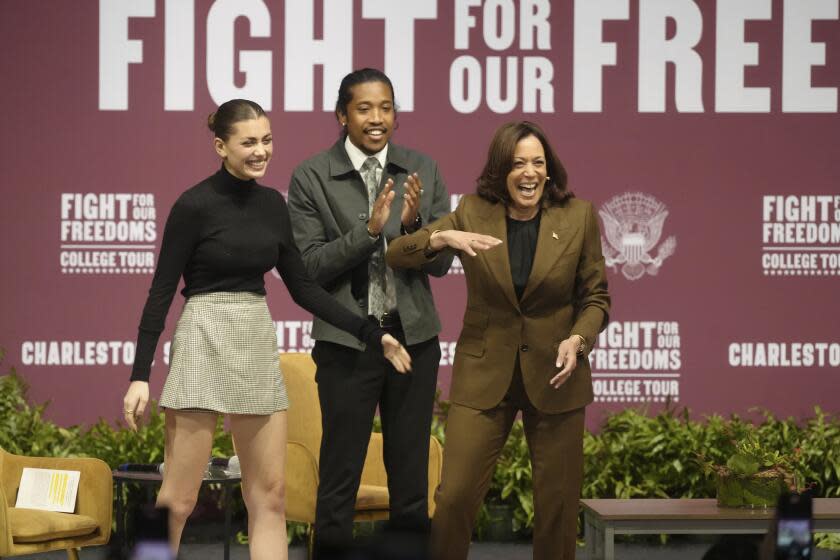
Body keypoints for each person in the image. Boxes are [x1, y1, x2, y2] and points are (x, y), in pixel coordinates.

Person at [121, 99, 411, 560]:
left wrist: (372, 332)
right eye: (249, 142)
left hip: (255, 338)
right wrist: (140, 375)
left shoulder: (274, 204)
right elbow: (160, 293)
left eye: (267, 140)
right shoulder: (193, 205)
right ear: (221, 146)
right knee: (177, 500)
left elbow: (304, 289)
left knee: (270, 495)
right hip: (202, 337)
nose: (261, 151)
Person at [386, 121, 611, 560]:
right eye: (518, 163)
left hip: (555, 373)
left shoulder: (579, 215)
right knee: (452, 498)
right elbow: (397, 253)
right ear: (500, 169)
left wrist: (578, 340)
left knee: (557, 507)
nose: (529, 172)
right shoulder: (472, 210)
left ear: (549, 170)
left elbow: (596, 297)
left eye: (538, 163)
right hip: (484, 372)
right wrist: (442, 236)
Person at [286, 68, 453, 557]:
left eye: (385, 108)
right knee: (339, 480)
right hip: (347, 343)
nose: (376, 119)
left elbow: (442, 263)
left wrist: (414, 226)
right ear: (342, 115)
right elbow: (309, 267)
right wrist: (368, 232)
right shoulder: (312, 176)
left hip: (414, 341)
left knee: (410, 481)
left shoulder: (422, 168)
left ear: (396, 115)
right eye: (364, 108)